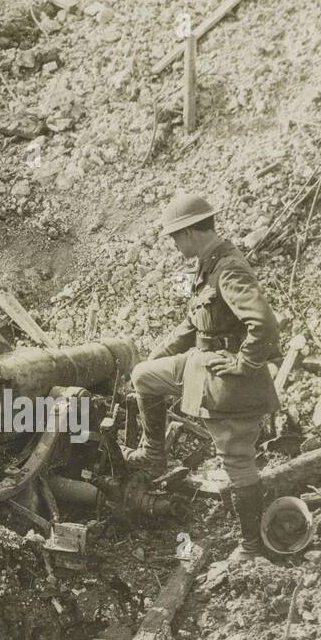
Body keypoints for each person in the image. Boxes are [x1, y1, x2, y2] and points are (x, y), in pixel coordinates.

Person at [124, 193, 283, 561]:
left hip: (228, 378)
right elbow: (191, 324)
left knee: (236, 461)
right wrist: (155, 356)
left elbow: (264, 324)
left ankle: (252, 547)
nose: (174, 246)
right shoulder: (207, 266)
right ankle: (154, 455)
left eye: (174, 238)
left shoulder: (229, 268)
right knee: (144, 376)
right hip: (200, 364)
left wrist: (245, 364)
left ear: (190, 233)